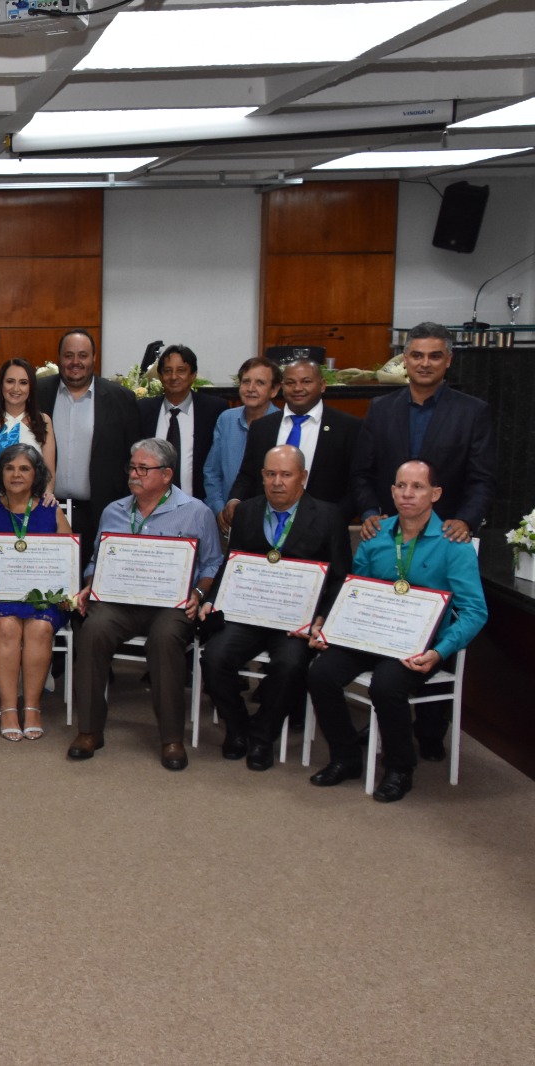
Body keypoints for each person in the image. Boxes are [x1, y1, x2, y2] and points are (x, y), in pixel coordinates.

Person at [305, 459, 487, 803]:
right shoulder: (376, 536)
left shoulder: (454, 543)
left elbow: (475, 611)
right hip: (370, 633)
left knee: (387, 685)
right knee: (321, 673)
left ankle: (400, 768)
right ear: (391, 491)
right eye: (401, 486)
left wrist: (440, 651)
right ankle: (345, 758)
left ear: (435, 493)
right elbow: (353, 591)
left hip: (419, 644)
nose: (407, 494)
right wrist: (330, 628)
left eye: (417, 487)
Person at [66, 438, 223, 771]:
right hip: (120, 602)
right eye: (132, 467)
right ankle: (90, 730)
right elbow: (98, 560)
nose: (134, 475)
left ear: (166, 475)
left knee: (166, 640)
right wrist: (88, 586)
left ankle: (171, 738)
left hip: (171, 606)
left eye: (143, 469)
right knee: (92, 629)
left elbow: (212, 566)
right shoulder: (115, 511)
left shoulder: (196, 512)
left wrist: (197, 593)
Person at [198, 446, 351, 770]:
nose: (277, 482)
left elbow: (339, 578)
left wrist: (322, 618)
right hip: (248, 614)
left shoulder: (328, 516)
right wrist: (211, 600)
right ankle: (238, 727)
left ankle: (263, 736)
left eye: (286, 474)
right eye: (270, 474)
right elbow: (232, 563)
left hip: (295, 621)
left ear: (303, 477)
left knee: (290, 665)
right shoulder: (249, 511)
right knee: (214, 657)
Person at [352, 321, 496, 545]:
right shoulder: (380, 409)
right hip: (387, 530)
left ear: (448, 360)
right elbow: (361, 472)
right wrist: (370, 512)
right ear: (405, 359)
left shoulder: (473, 412)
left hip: (447, 534)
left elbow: (482, 479)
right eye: (417, 356)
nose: (425, 364)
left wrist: (466, 521)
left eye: (435, 356)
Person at [0, 443, 73, 742]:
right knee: (6, 626)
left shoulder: (51, 509)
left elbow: (68, 556)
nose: (16, 474)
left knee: (40, 628)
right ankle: (8, 708)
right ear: (0, 473)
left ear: (36, 474)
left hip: (44, 597)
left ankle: (33, 707)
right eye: (9, 467)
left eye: (24, 468)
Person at [36, 329, 141, 570]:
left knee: (95, 579)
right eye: (68, 355)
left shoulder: (121, 399)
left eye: (82, 355)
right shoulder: (38, 393)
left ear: (94, 358)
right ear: (59, 359)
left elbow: (133, 457)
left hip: (102, 510)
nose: (75, 362)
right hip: (46, 508)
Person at [222, 355, 360, 528]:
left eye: (306, 381)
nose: (297, 388)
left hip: (323, 530)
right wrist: (235, 500)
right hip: (267, 526)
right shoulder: (262, 427)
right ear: (282, 387)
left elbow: (356, 483)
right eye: (290, 383)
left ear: (322, 385)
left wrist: (333, 520)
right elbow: (248, 475)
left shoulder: (347, 427)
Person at [136, 344, 228, 500]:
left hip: (198, 507)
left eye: (181, 371)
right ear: (159, 376)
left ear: (193, 375)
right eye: (167, 371)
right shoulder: (142, 410)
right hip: (151, 506)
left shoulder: (213, 410)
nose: (173, 377)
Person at [203, 356, 282, 522]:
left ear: (274, 390)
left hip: (269, 519)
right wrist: (219, 510)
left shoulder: (283, 424)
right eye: (246, 382)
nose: (251, 388)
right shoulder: (226, 419)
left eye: (260, 383)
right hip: (225, 516)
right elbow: (212, 472)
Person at [0, 357, 56, 504]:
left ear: (31, 387)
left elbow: (49, 472)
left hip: (33, 506)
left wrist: (48, 493)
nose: (16, 389)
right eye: (10, 381)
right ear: (1, 385)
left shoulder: (43, 421)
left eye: (23, 383)